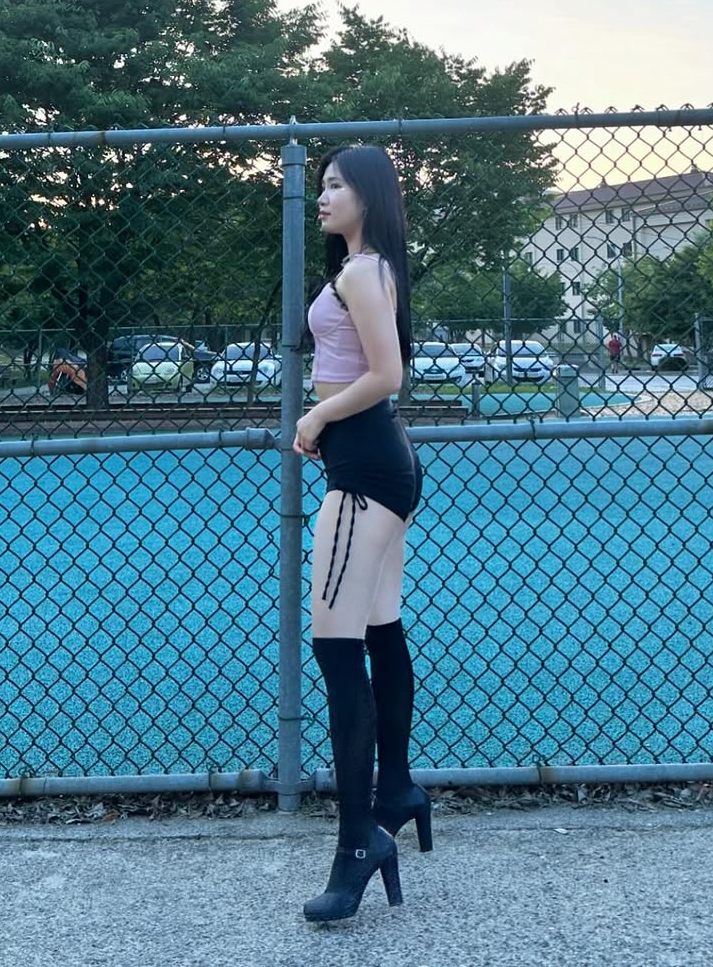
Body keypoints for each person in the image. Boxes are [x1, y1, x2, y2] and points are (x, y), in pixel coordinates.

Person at [295, 144, 430, 925]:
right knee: (379, 626)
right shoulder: (368, 268)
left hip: (364, 470)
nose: (323, 196)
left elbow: (386, 373)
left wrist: (316, 414)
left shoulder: (360, 272)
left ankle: (357, 844)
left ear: (369, 195)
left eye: (336, 185)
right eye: (320, 186)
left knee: (336, 649)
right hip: (381, 461)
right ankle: (397, 789)